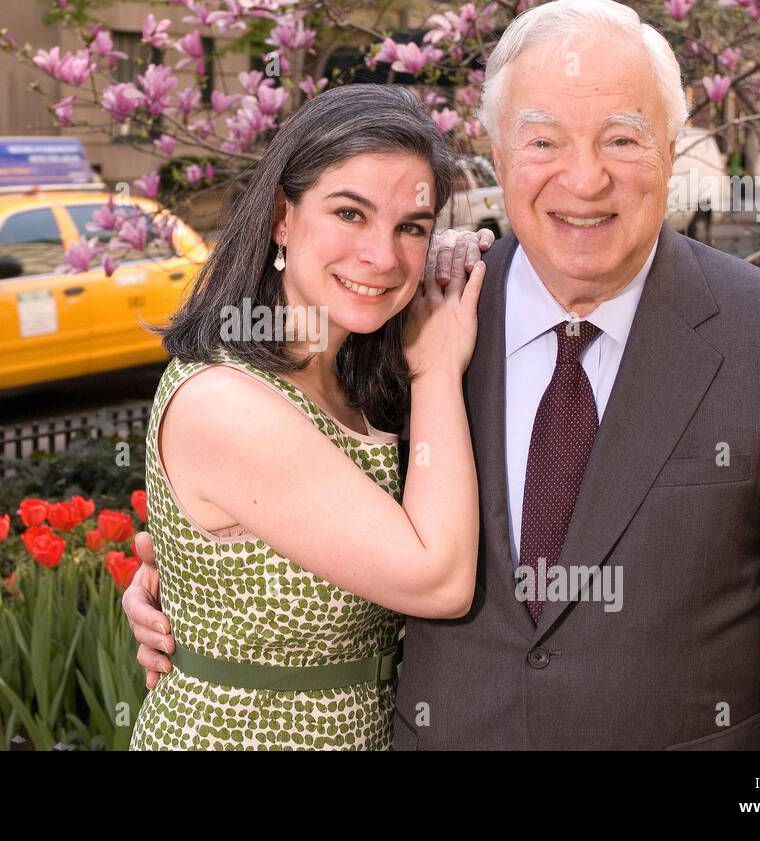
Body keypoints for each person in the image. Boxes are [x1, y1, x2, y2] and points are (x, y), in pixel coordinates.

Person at [127, 0, 760, 750]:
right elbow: (274, 495)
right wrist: (183, 599)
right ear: (495, 150)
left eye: (621, 138)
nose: (584, 181)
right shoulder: (403, 322)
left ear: (672, 146)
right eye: (543, 140)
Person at [128, 83, 492, 750]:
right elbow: (438, 580)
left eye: (411, 226)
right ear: (281, 217)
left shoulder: (350, 374)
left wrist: (455, 253)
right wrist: (437, 368)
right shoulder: (226, 400)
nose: (382, 255)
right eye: (350, 214)